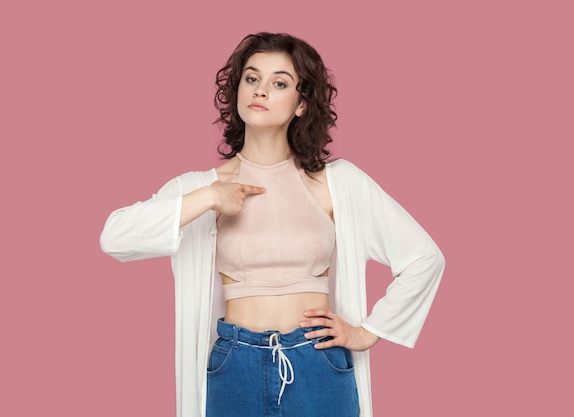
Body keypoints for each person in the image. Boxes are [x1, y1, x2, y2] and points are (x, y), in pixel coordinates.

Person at [100, 32, 445, 417]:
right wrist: (209, 198)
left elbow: (424, 258)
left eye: (279, 83)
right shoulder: (202, 188)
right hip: (235, 365)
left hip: (317, 363)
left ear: (301, 104)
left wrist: (367, 332)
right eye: (252, 78)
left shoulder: (338, 183)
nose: (260, 90)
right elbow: (115, 237)